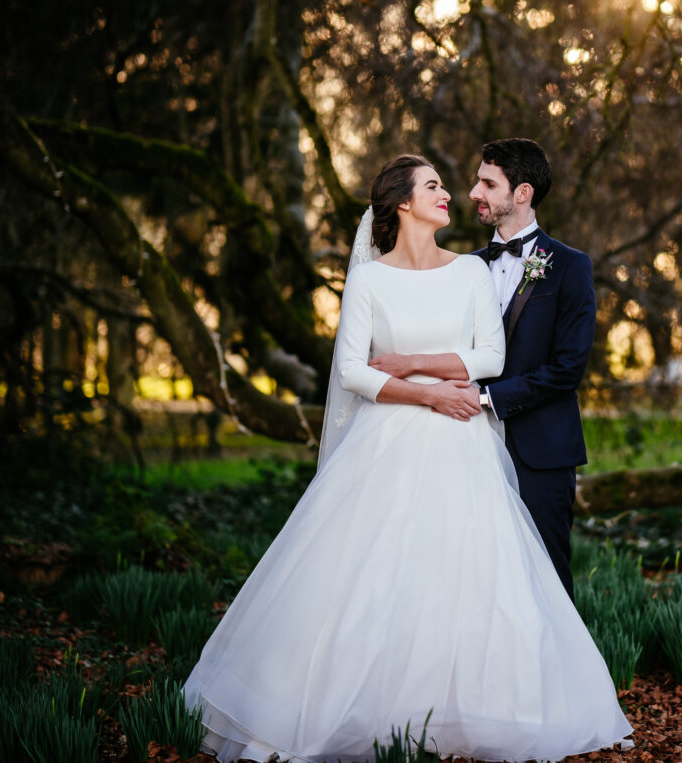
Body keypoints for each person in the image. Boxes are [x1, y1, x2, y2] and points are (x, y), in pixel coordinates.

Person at [183, 154, 632, 763]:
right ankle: (372, 711)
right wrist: (424, 389)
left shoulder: (497, 271)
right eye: (437, 186)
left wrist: (406, 364)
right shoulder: (378, 278)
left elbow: (499, 360)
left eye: (473, 184)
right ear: (401, 203)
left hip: (473, 440)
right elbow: (349, 369)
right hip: (391, 439)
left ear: (521, 193)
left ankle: (495, 708)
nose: (456, 193)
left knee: (490, 578)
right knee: (375, 576)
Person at [471, 139, 596, 600]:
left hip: (542, 453)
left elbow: (567, 369)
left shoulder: (569, 267)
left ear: (522, 193)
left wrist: (488, 399)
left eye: (487, 183)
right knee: (479, 580)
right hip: (469, 450)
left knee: (546, 583)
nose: (473, 193)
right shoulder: (464, 269)